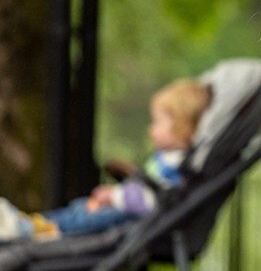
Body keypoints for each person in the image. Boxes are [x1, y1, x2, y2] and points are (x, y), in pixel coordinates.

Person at [0, 78, 211, 242]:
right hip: (128, 213)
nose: (151, 128)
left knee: (85, 217)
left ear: (183, 126)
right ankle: (31, 224)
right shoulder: (168, 158)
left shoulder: (177, 165)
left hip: (132, 220)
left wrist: (114, 196)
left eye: (158, 122)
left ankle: (28, 229)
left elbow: (151, 200)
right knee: (81, 208)